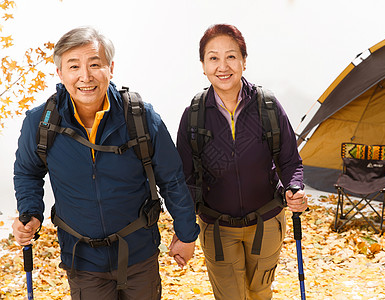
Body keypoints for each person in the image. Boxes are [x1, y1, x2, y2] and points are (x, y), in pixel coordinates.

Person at [12, 26, 199, 299]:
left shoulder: (140, 117)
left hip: (139, 255)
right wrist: (31, 213)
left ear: (110, 68)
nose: (85, 76)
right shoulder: (41, 123)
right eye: (74, 66)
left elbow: (171, 179)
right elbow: (28, 172)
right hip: (82, 260)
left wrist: (186, 234)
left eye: (95, 64)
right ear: (60, 73)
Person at [176, 24, 308, 300]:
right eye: (213, 58)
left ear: (244, 61)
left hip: (267, 223)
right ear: (203, 65)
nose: (223, 66)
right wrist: (184, 229)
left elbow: (290, 160)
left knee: (260, 292)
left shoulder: (267, 106)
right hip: (217, 227)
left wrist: (294, 187)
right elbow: (184, 178)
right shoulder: (194, 114)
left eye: (231, 56)